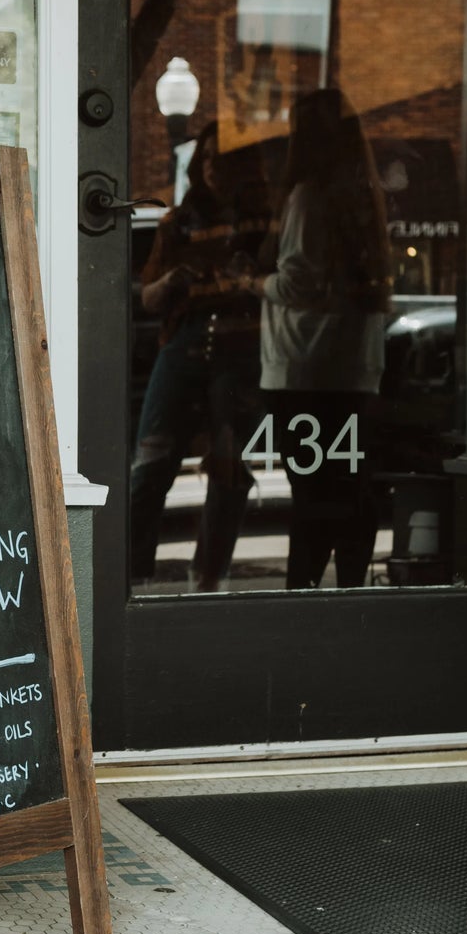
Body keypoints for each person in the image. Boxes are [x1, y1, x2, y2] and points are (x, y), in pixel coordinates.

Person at [233, 89, 392, 589]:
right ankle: (348, 593)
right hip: (354, 367)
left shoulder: (308, 196)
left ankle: (301, 597)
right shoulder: (363, 196)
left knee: (311, 497)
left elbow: (298, 282)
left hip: (303, 367)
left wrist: (250, 282)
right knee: (349, 493)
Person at [129, 124, 271, 589]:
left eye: (224, 158)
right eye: (207, 158)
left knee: (229, 468)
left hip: (242, 346)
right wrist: (173, 282)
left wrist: (248, 276)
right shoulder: (180, 220)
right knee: (151, 462)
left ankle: (208, 581)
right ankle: (130, 580)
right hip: (185, 342)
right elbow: (146, 297)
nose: (214, 167)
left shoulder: (263, 220)